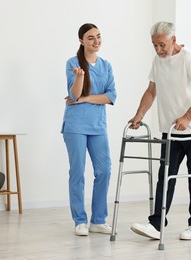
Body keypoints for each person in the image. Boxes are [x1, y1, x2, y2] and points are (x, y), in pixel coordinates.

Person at [129, 21, 191, 240]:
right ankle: (156, 225)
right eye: (154, 45)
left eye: (162, 45)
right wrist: (139, 114)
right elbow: (151, 90)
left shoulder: (188, 58)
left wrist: (187, 117)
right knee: (165, 176)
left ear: (173, 40)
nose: (158, 50)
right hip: (171, 130)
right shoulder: (158, 61)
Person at [61, 23, 117, 236]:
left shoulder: (106, 66)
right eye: (91, 38)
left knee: (104, 171)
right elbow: (73, 95)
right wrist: (79, 78)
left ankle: (98, 220)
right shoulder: (73, 63)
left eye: (98, 36)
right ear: (82, 41)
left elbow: (111, 96)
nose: (96, 41)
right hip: (75, 126)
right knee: (77, 173)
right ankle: (80, 221)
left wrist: (85, 98)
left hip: (98, 127)